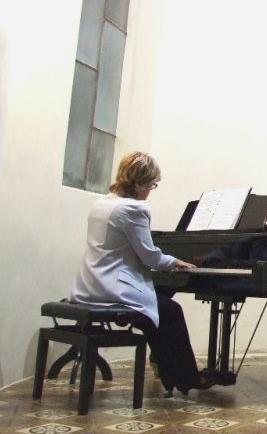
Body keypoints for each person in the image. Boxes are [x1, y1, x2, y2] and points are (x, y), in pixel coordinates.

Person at [70, 151, 214, 395]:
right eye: (151, 184)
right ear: (138, 183)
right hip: (113, 289)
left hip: (91, 283)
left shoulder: (101, 203)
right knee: (171, 311)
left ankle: (169, 373)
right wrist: (175, 262)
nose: (151, 190)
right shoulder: (133, 209)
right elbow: (149, 257)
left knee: (161, 300)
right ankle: (188, 378)